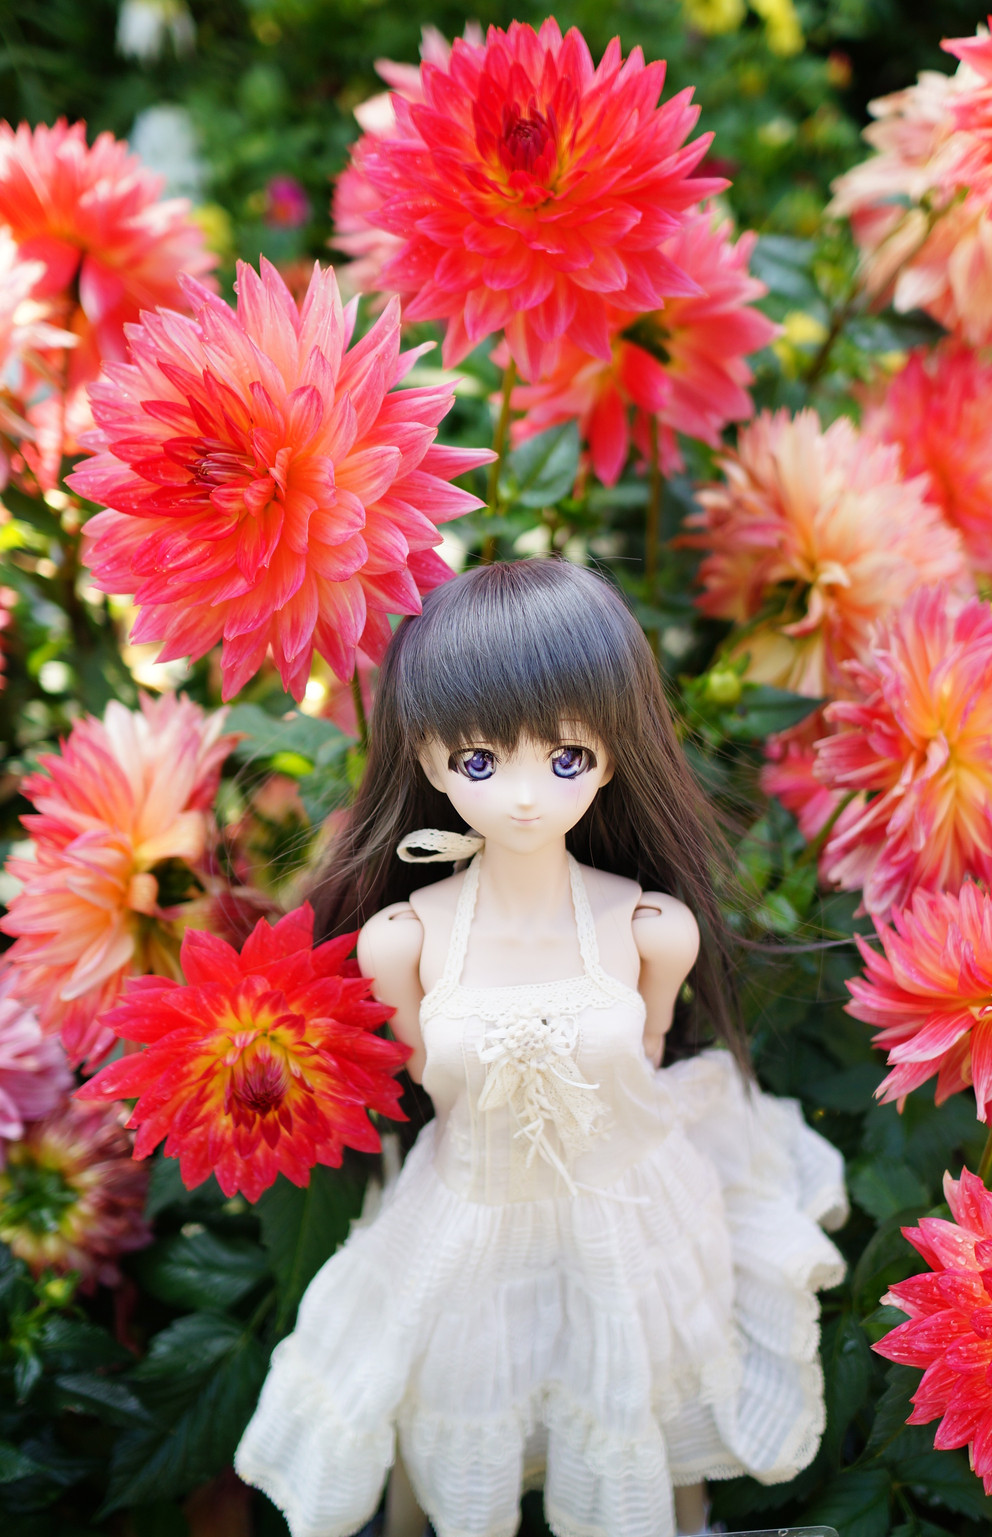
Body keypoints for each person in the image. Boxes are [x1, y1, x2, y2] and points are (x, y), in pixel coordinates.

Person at [235, 558, 847, 1537]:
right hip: (472, 1211)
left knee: (644, 1409)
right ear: (428, 758)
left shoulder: (651, 927)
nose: (525, 796)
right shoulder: (403, 941)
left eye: (564, 757)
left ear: (611, 754)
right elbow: (426, 1083)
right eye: (481, 762)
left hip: (627, 1210)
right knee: (441, 1413)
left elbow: (644, 1061)